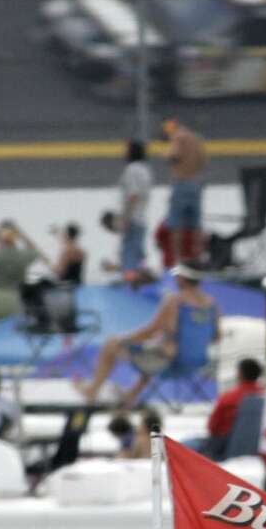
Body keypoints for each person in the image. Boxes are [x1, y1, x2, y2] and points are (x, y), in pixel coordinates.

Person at [75, 267, 219, 407]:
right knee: (153, 348)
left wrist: (126, 339)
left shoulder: (176, 302)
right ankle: (131, 394)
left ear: (182, 278)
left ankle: (92, 391)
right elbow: (216, 336)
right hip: (198, 363)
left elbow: (151, 330)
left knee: (111, 345)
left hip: (171, 363)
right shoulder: (211, 304)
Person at [161, 119, 208, 267]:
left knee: (176, 224)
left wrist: (165, 154)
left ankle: (178, 259)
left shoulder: (178, 137)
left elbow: (173, 155)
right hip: (195, 183)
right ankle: (198, 257)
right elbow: (203, 160)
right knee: (196, 224)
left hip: (181, 183)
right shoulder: (196, 139)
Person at [200, 358, 263, 458]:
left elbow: (212, 427)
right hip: (259, 446)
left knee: (187, 445)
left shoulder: (229, 398)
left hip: (223, 446)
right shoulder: (265, 396)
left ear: (240, 374)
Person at [116, 139, 153, 285]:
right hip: (142, 217)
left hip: (133, 218)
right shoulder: (145, 170)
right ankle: (139, 282)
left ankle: (129, 285)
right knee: (138, 254)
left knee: (128, 255)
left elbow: (133, 195)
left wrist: (125, 218)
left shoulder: (131, 170)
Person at [0, 220, 42, 290]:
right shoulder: (23, 256)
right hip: (19, 294)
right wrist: (22, 235)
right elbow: (36, 251)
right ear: (16, 239)